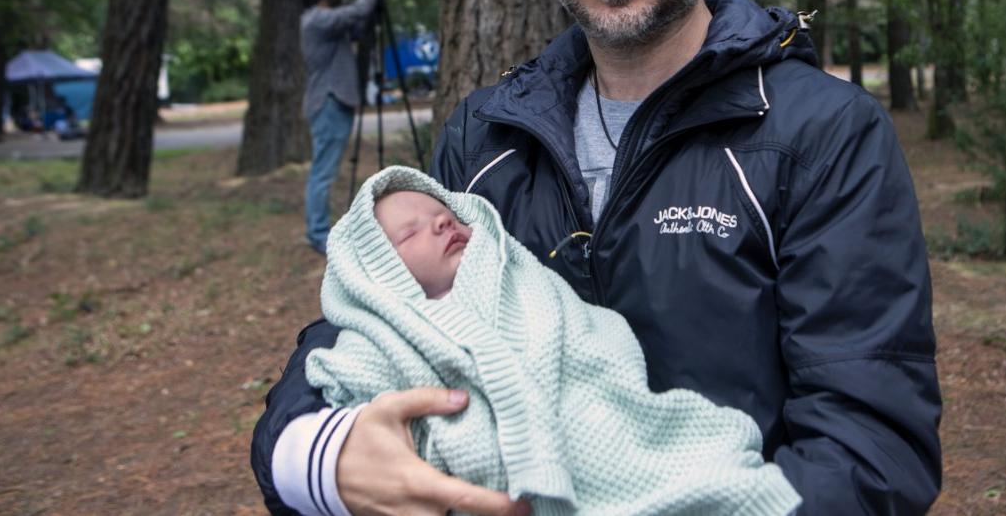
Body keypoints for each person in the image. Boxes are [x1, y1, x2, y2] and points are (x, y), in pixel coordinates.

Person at [253, 0, 941, 515]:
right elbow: (365, 308)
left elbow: (872, 450)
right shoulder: (485, 140)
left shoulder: (821, 136)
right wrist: (316, 454)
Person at [302, 164, 800, 516]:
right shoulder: (382, 336)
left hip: (597, 426)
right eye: (411, 233)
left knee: (706, 467)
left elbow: (594, 333)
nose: (441, 222)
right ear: (376, 274)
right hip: (487, 486)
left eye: (447, 216)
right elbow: (344, 386)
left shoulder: (520, 281)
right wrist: (318, 454)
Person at [301, 0, 386, 254]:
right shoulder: (317, 19)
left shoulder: (325, 22)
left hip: (332, 100)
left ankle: (318, 230)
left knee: (323, 170)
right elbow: (358, 10)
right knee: (323, 172)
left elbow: (358, 25)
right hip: (328, 101)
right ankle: (317, 234)